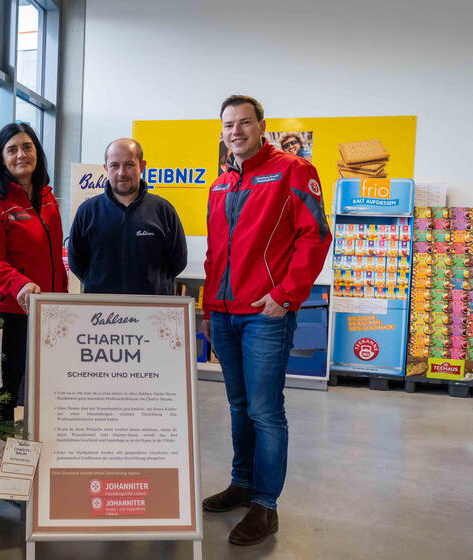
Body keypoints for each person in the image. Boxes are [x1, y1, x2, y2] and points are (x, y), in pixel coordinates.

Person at [201, 96, 331, 546]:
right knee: (238, 406)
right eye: (228, 125)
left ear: (261, 126)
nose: (235, 131)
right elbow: (216, 252)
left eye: (244, 123)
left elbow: (315, 236)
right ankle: (242, 484)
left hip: (264, 315)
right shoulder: (220, 184)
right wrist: (208, 305)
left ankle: (266, 506)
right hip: (224, 312)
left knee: (265, 411)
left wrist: (285, 295)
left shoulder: (293, 170)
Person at [0, 123, 68, 413]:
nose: (21, 154)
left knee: (38, 390)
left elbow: (52, 256)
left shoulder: (46, 198)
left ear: (37, 151)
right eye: (12, 149)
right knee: (3, 395)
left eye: (27, 147)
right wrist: (19, 284)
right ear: (1, 158)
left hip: (42, 310)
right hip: (4, 313)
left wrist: (59, 298)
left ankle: (24, 453)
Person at [68, 138, 187, 295]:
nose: (121, 172)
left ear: (142, 166)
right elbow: (77, 263)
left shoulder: (163, 210)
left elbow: (178, 262)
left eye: (129, 165)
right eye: (114, 165)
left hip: (152, 312)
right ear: (106, 168)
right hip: (101, 313)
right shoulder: (87, 212)